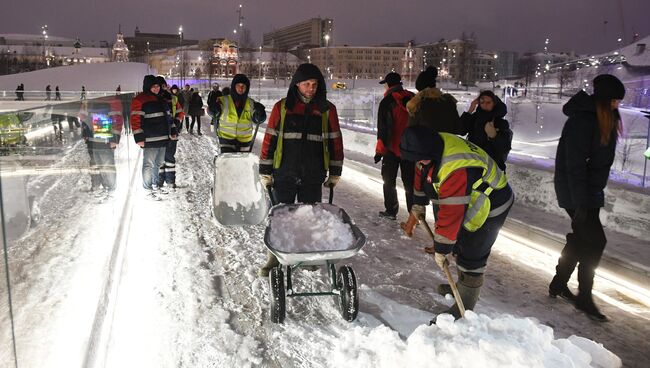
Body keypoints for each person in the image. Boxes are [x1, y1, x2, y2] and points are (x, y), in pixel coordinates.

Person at [400, 125, 514, 321]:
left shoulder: (455, 166)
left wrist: (441, 248)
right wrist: (418, 204)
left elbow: (451, 213)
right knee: (459, 242)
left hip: (492, 201)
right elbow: (422, 171)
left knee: (472, 250)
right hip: (470, 196)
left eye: (421, 157)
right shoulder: (430, 147)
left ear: (430, 151)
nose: (419, 161)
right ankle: (461, 288)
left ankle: (465, 306)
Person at [549, 74, 625, 322]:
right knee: (595, 241)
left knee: (582, 240)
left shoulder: (602, 119)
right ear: (603, 100)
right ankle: (584, 296)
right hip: (577, 193)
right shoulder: (583, 120)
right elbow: (575, 165)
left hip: (587, 192)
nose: (617, 105)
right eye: (613, 101)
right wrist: (581, 202)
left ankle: (559, 284)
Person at [258, 63, 344, 277]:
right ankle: (274, 257)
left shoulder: (326, 110)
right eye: (307, 84)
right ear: (297, 84)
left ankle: (307, 256)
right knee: (278, 216)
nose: (311, 88)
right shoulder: (282, 107)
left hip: (313, 174)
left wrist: (335, 172)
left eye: (315, 84)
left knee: (309, 217)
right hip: (284, 171)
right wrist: (265, 170)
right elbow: (270, 139)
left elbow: (335, 142)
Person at [374, 72, 415, 220]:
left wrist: (379, 151)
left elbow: (383, 130)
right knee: (410, 183)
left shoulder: (386, 102)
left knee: (388, 180)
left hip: (392, 149)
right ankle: (413, 215)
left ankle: (391, 211)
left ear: (388, 85)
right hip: (411, 150)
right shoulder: (412, 97)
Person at [130, 75, 178, 200]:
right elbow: (135, 120)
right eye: (153, 86)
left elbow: (169, 118)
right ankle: (147, 189)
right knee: (148, 165)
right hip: (149, 139)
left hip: (162, 138)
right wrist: (139, 137)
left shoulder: (161, 99)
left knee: (159, 164)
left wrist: (172, 130)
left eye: (157, 86)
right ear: (148, 86)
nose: (156, 89)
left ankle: (156, 185)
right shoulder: (139, 100)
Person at [78, 96, 124, 198]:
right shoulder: (90, 101)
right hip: (93, 139)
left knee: (107, 164)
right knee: (97, 164)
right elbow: (83, 118)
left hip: (104, 139)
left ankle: (110, 189)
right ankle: (101, 186)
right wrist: (85, 133)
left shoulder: (110, 100)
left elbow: (117, 119)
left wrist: (114, 139)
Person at [458, 90, 513, 171]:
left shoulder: (500, 122)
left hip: (492, 166)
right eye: (482, 102)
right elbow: (461, 131)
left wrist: (494, 136)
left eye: (488, 102)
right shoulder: (474, 118)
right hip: (473, 163)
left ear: (494, 103)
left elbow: (505, 147)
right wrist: (470, 110)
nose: (485, 105)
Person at [214, 74, 266, 151]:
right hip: (226, 140)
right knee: (227, 162)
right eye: (238, 85)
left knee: (243, 163)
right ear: (234, 86)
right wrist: (213, 109)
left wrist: (261, 115)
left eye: (243, 86)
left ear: (247, 88)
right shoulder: (223, 101)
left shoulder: (251, 103)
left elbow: (257, 119)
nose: (241, 88)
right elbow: (212, 111)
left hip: (245, 141)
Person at [406, 66, 460, 134]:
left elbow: (411, 133)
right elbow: (458, 128)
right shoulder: (449, 101)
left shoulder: (416, 104)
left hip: (427, 143)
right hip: (450, 143)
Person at [157, 78, 184, 188]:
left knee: (169, 157)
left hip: (171, 133)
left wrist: (176, 124)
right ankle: (159, 181)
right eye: (160, 86)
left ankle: (170, 181)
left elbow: (180, 113)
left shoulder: (174, 99)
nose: (162, 88)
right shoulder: (153, 99)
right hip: (158, 134)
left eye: (163, 86)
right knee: (159, 158)